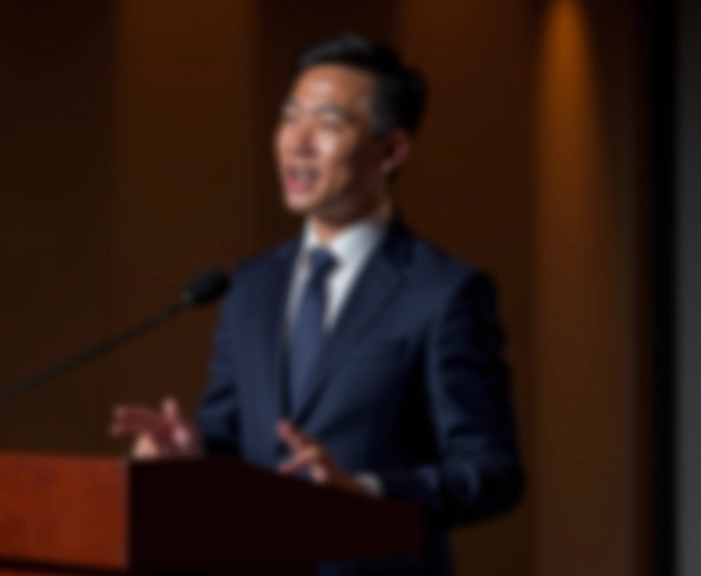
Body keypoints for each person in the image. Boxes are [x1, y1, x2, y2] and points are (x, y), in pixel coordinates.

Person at [109, 33, 523, 576]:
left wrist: (367, 492)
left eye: (328, 124)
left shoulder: (444, 292)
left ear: (391, 150)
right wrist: (194, 458)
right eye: (289, 117)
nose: (297, 143)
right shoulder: (251, 285)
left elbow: (492, 473)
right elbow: (231, 440)